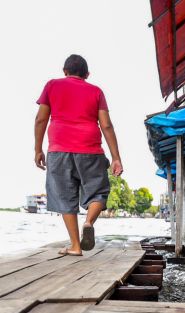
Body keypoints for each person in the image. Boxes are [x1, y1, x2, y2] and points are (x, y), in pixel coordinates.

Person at [34, 54, 123, 255]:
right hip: (90, 149)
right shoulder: (96, 91)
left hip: (59, 149)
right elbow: (106, 125)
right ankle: (89, 222)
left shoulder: (52, 86)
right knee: (98, 193)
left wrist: (38, 149)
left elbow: (40, 119)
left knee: (64, 197)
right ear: (87, 74)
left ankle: (75, 246)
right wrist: (116, 157)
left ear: (64, 71)